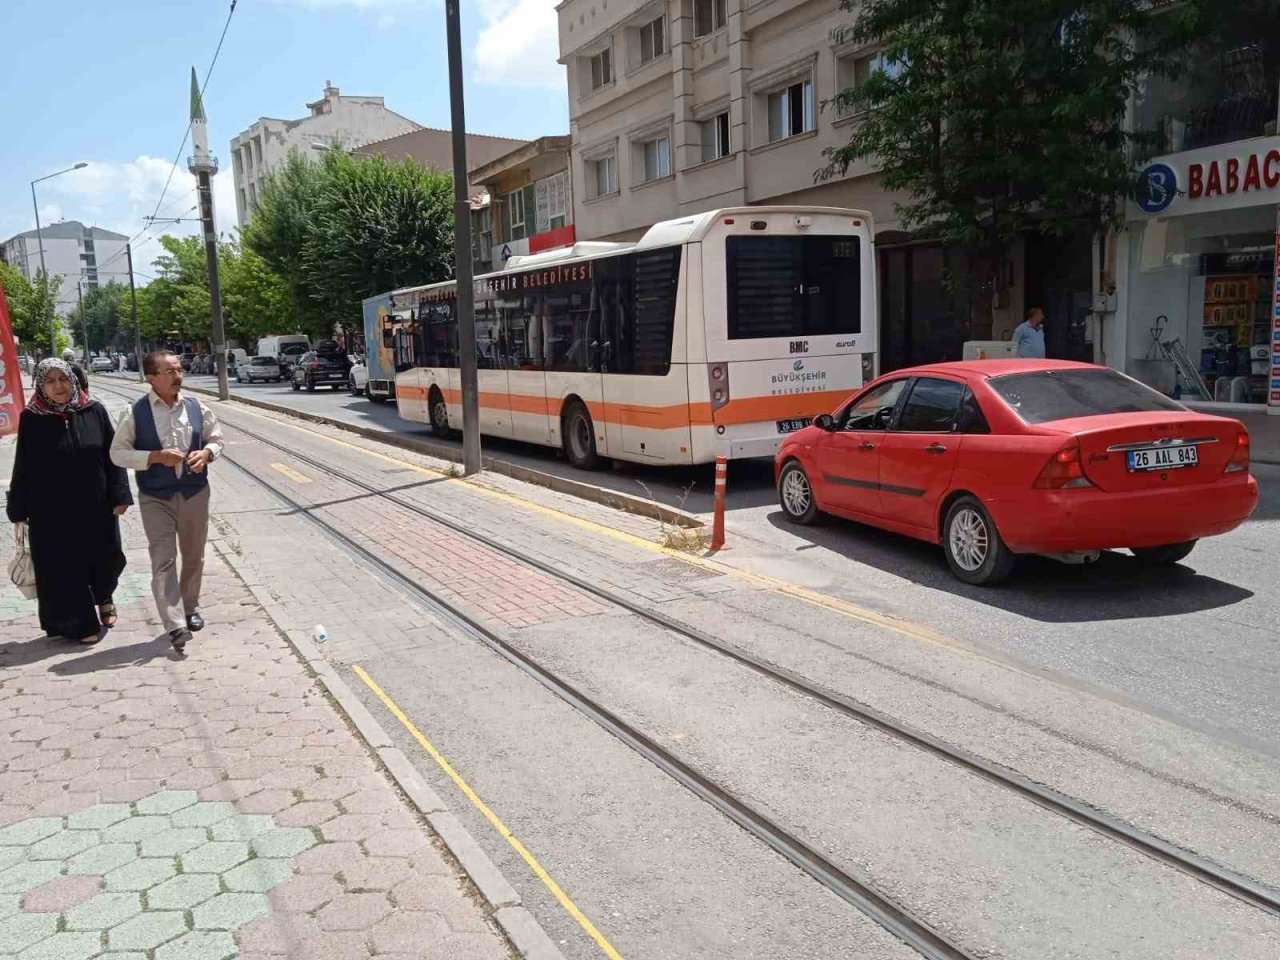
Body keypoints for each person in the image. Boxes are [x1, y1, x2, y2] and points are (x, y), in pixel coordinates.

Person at [6, 359, 132, 644]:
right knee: (66, 567)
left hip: (97, 505)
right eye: (50, 381)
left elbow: (114, 456)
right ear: (41, 385)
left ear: (73, 381)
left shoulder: (93, 410)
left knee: (106, 558)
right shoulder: (32, 417)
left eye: (62, 379)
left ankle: (104, 596)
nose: (58, 386)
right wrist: (18, 507)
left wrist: (120, 494)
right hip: (52, 509)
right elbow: (23, 464)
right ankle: (82, 623)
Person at [110, 350, 224, 651]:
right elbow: (117, 453)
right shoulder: (135, 412)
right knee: (163, 559)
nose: (178, 376)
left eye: (179, 370)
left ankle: (190, 608)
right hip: (155, 497)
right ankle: (174, 625)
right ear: (151, 377)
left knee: (194, 555)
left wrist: (208, 452)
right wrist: (154, 457)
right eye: (170, 371)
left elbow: (217, 438)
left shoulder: (196, 406)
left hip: (194, 492)